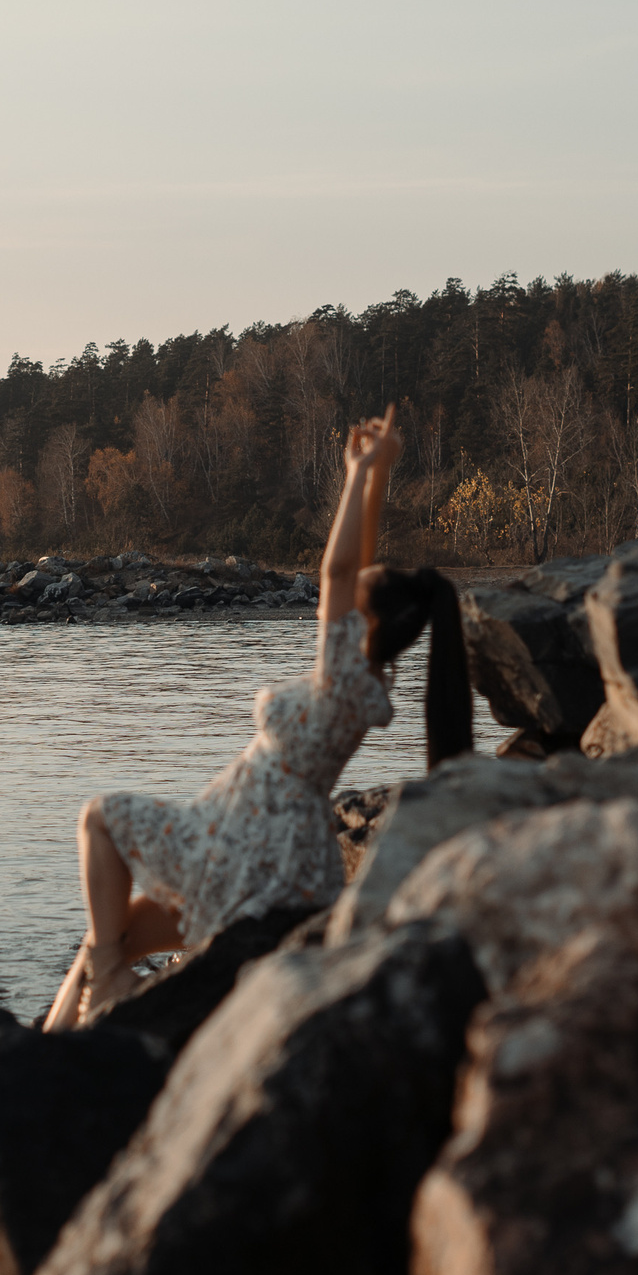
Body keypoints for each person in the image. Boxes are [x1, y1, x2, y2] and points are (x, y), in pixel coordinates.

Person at [42, 405, 474, 1032]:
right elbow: (361, 563)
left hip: (239, 840)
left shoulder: (341, 674)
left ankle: (91, 1005)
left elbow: (337, 568)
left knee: (99, 819)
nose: (350, 590)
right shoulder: (364, 679)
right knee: (110, 937)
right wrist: (376, 475)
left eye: (364, 590)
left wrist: (357, 474)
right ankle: (54, 1039)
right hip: (272, 849)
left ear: (371, 620)